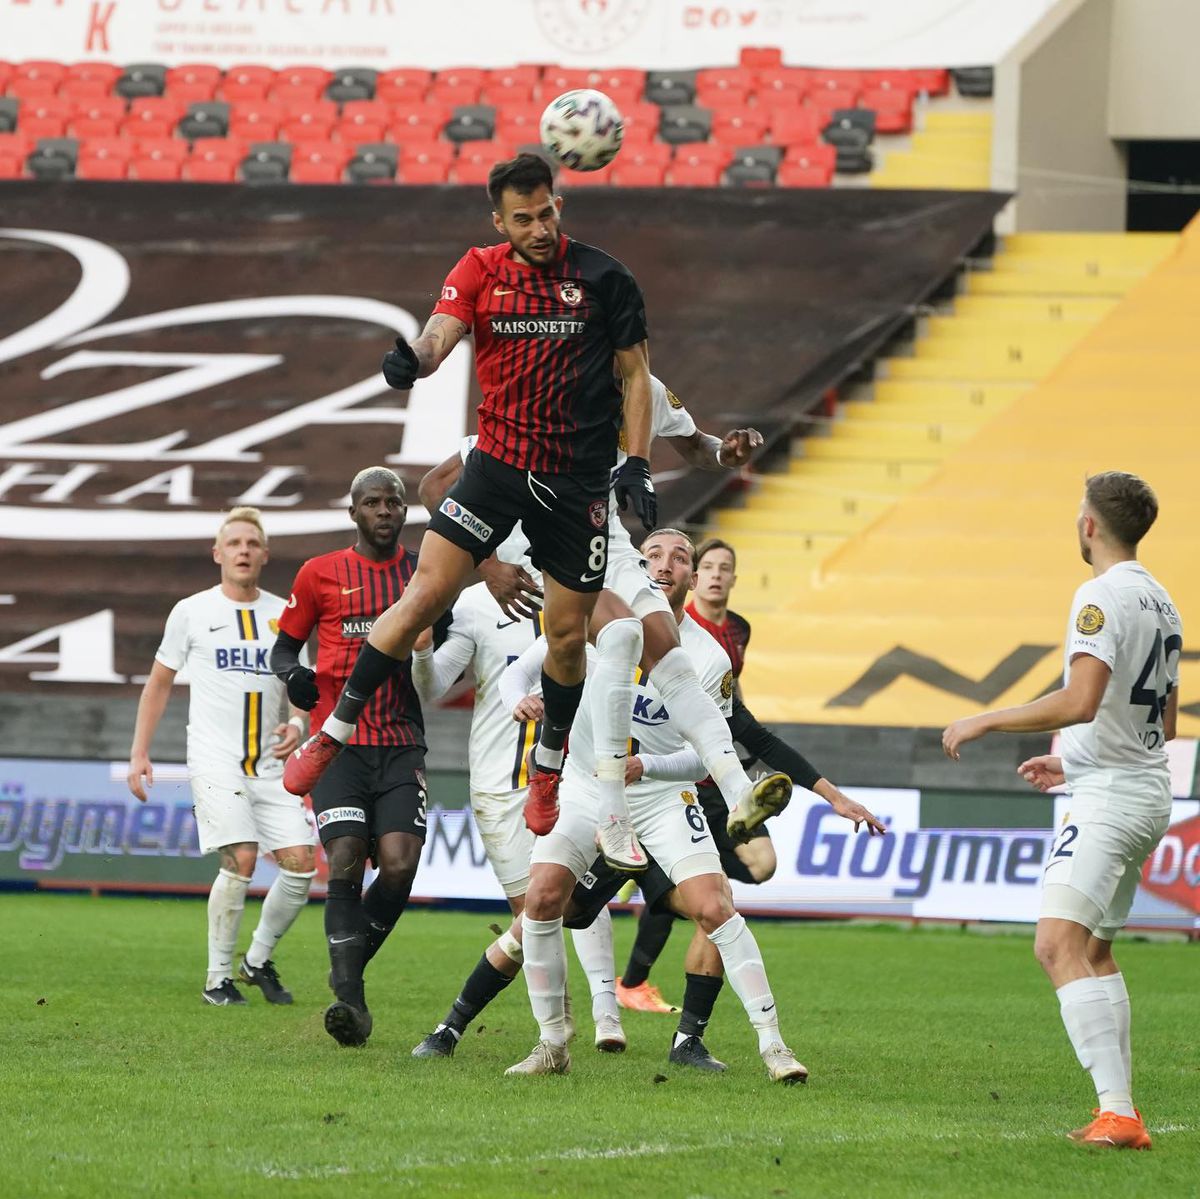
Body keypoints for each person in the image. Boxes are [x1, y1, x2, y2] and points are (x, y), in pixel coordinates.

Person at [283, 153, 657, 872]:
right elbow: (439, 334)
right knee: (422, 596)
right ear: (499, 221)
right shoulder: (481, 268)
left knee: (568, 635)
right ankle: (331, 731)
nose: (540, 228)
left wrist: (635, 464)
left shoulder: (606, 278)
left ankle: (546, 766)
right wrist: (412, 363)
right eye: (524, 218)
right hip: (495, 470)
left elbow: (638, 376)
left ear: (558, 204)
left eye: (548, 212)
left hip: (576, 485)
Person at [501, 527, 882, 1081]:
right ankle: (552, 1043)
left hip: (660, 796)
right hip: (588, 786)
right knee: (542, 899)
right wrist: (523, 701)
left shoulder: (706, 657)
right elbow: (521, 670)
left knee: (714, 906)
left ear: (690, 577)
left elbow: (708, 748)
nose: (665, 564)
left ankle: (774, 1047)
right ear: (635, 563)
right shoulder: (591, 618)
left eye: (680, 557)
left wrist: (652, 767)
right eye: (652, 553)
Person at [417, 377, 793, 875]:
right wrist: (488, 564)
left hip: (603, 536)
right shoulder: (543, 388)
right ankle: (608, 811)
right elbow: (432, 487)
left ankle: (739, 792)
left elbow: (695, 445)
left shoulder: (648, 389)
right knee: (620, 639)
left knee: (670, 657)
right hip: (537, 550)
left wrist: (729, 454)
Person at [942, 471, 1181, 1150]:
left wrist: (986, 719)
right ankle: (1122, 1111)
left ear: (1089, 526)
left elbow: (1079, 699)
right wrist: (1076, 761)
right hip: (1142, 787)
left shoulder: (1099, 594)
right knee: (1095, 951)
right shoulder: (1164, 600)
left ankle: (1118, 1113)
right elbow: (1160, 714)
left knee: (1055, 944)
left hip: (1111, 798)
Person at [619, 535, 869, 1014]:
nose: (713, 574)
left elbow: (745, 727)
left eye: (720, 566)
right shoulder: (634, 629)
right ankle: (630, 976)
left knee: (745, 875)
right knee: (561, 908)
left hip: (699, 779)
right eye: (706, 565)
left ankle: (676, 1021)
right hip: (637, 786)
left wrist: (832, 796)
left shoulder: (726, 642)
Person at [407, 539, 626, 1057]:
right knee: (534, 912)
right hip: (502, 782)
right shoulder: (478, 603)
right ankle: (560, 1022)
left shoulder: (590, 594)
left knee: (565, 893)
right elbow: (434, 685)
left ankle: (604, 1014)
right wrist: (419, 648)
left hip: (577, 778)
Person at [127, 507, 316, 1007]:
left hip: (271, 764)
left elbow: (302, 686)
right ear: (217, 554)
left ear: (265, 555)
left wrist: (297, 724)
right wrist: (139, 751)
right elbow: (159, 683)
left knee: (301, 865)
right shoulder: (192, 611)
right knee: (244, 859)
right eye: (234, 543)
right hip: (216, 760)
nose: (243, 551)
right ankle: (217, 979)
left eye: (252, 543)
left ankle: (255, 961)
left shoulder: (285, 613)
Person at [270, 467, 427, 1048]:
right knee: (343, 856)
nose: (385, 511)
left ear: (405, 512)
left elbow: (447, 642)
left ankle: (349, 978)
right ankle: (349, 996)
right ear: (354, 512)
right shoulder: (320, 574)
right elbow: (285, 645)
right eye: (373, 503)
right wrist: (293, 674)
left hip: (402, 742)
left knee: (401, 864)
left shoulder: (423, 572)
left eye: (394, 502)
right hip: (337, 746)